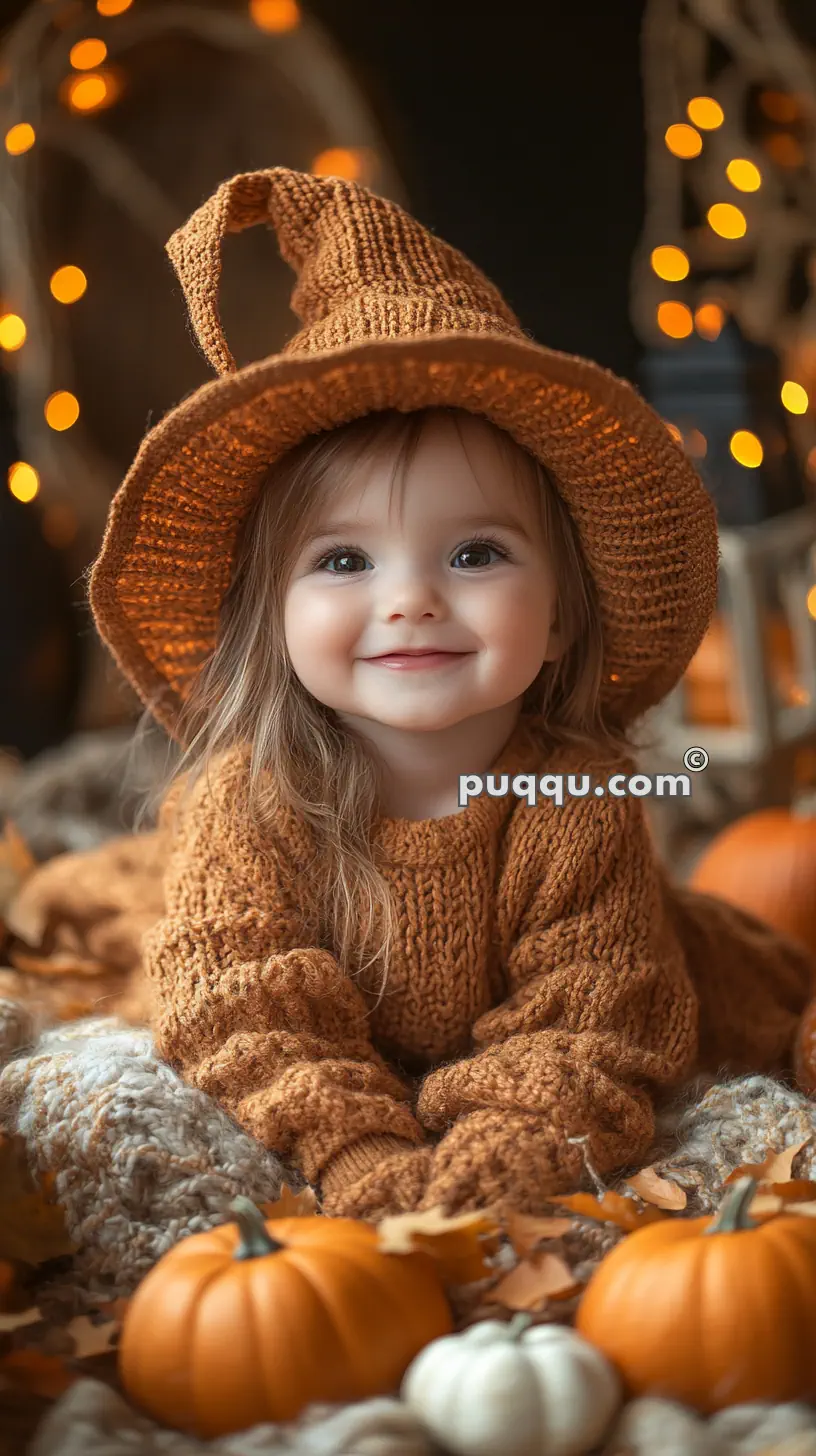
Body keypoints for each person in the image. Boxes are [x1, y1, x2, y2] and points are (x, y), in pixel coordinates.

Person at [88, 166, 814, 1221]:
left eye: (475, 553)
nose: (413, 600)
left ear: (562, 614)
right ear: (272, 619)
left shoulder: (575, 799)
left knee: (761, 1011)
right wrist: (357, 1152)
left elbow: (591, 1016)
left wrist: (499, 1154)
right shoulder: (253, 803)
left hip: (567, 1032)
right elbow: (245, 1011)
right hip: (335, 1075)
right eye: (344, 563)